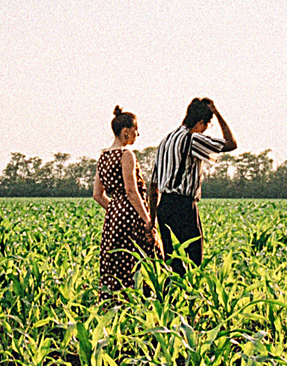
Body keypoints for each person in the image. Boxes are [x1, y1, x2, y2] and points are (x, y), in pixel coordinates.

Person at [152, 95, 235, 272]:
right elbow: (231, 144)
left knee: (171, 261)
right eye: (207, 125)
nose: (206, 130)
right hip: (183, 206)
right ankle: (189, 298)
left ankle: (170, 297)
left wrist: (152, 218)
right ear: (200, 123)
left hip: (164, 206)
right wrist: (217, 113)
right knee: (193, 261)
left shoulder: (165, 141)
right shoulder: (193, 139)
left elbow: (154, 185)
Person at [93, 105, 158, 296]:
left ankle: (114, 303)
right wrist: (148, 220)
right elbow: (131, 191)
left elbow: (97, 194)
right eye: (136, 130)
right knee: (144, 260)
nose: (138, 134)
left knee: (116, 265)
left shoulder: (103, 156)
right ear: (126, 132)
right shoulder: (126, 154)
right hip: (132, 216)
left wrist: (115, 210)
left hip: (113, 219)